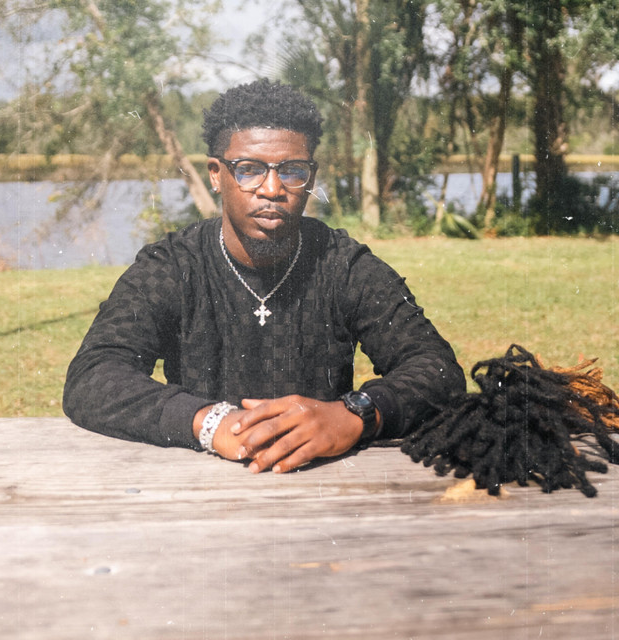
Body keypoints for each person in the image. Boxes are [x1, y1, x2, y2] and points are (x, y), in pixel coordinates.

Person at [63, 79, 465, 474]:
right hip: (197, 482)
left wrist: (354, 414)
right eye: (249, 169)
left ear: (311, 178)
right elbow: (94, 375)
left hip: (323, 479)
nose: (272, 189)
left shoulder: (343, 265)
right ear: (216, 174)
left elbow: (437, 368)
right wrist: (210, 422)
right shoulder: (173, 265)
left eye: (292, 171)